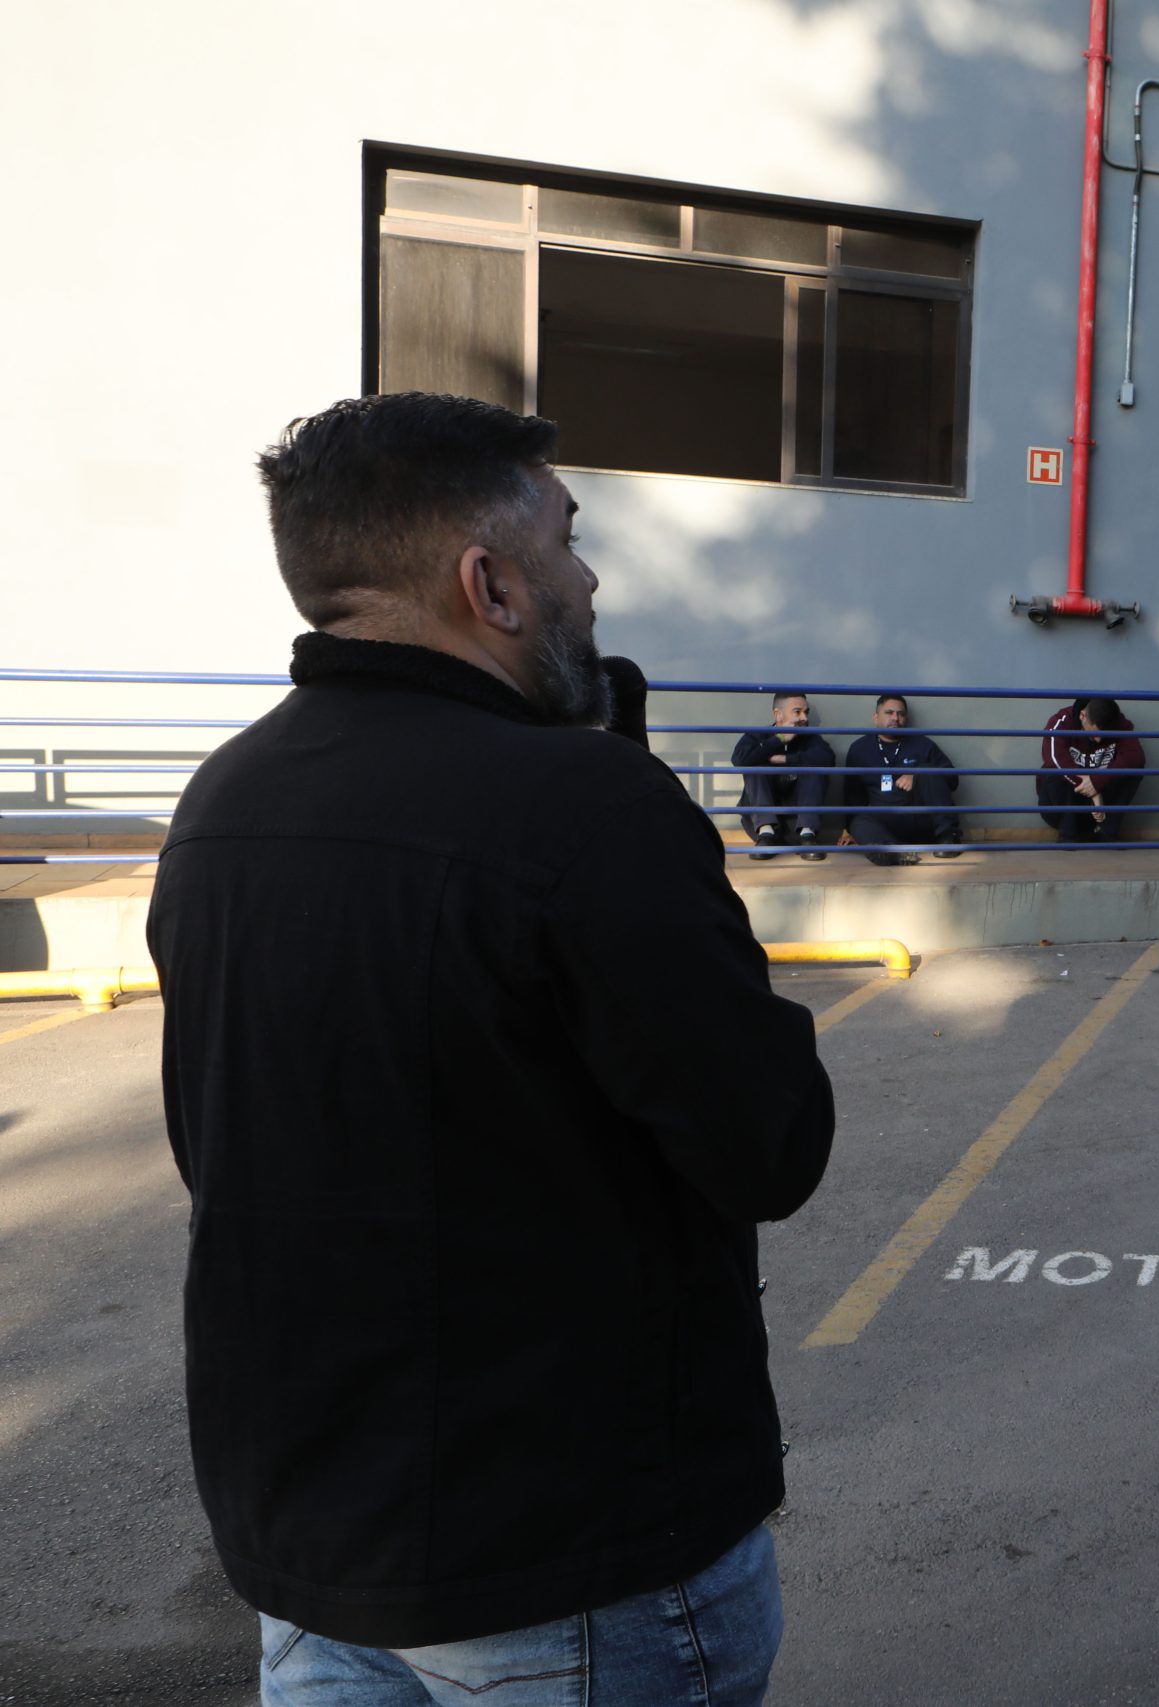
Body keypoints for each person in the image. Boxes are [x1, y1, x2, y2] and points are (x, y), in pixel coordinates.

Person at [149, 392, 832, 1699]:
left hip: (306, 1544)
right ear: (491, 584)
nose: (589, 578)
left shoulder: (222, 801)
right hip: (570, 1563)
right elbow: (769, 1142)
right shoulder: (587, 806)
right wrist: (643, 833)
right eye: (569, 540)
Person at [843, 692, 963, 863]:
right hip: (886, 824)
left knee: (930, 770)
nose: (896, 718)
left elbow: (952, 780)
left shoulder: (922, 744)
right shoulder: (859, 749)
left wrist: (918, 772)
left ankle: (948, 840)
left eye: (901, 714)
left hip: (922, 820)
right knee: (858, 820)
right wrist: (848, 830)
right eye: (889, 713)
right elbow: (853, 796)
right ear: (876, 718)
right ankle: (891, 853)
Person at [733, 690, 835, 860]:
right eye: (797, 712)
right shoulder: (758, 735)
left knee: (814, 765)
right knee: (755, 765)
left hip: (800, 829)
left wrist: (786, 759)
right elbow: (739, 759)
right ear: (778, 715)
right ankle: (766, 833)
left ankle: (807, 834)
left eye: (806, 712)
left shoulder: (810, 739)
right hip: (763, 831)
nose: (804, 718)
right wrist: (778, 739)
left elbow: (828, 759)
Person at [1036, 696, 1145, 842]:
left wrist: (1096, 782)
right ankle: (1068, 835)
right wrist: (1094, 792)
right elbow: (1054, 759)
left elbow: (1136, 757)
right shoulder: (1062, 721)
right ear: (1082, 716)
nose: (1099, 740)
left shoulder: (1120, 723)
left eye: (1104, 735)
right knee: (1054, 772)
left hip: (1100, 812)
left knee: (1133, 771)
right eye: (1095, 733)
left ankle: (1107, 832)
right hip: (1062, 808)